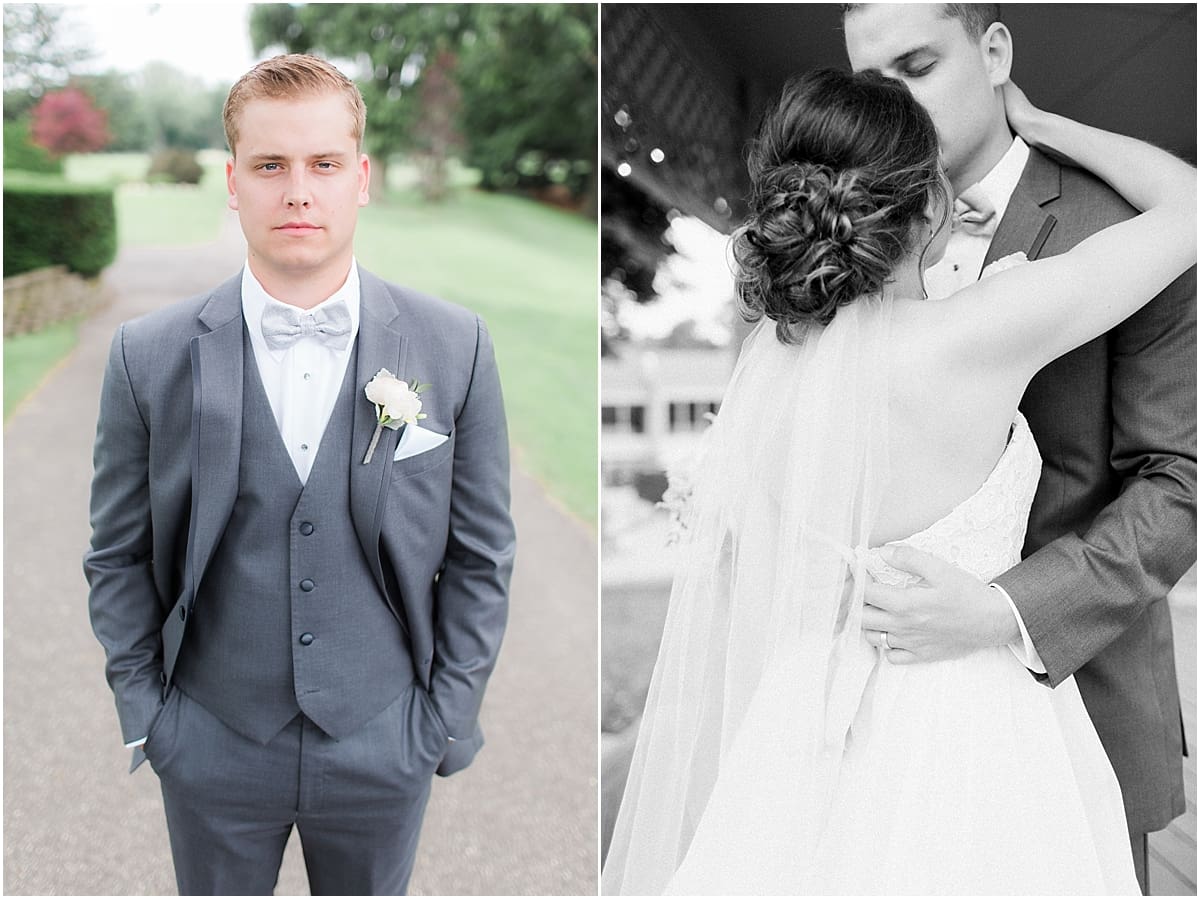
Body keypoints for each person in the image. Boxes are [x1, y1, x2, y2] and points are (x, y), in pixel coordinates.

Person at [600, 59, 1194, 895]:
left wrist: (934, 230)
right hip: (974, 725)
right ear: (928, 203)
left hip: (807, 717)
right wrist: (1038, 124)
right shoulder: (986, 329)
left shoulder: (773, 363)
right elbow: (1191, 207)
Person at [84, 54, 515, 895]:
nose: (297, 191)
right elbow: (117, 556)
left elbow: (481, 556)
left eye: (322, 164)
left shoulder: (454, 345)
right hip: (210, 742)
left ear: (362, 178)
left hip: (384, 739)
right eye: (270, 165)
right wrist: (152, 718)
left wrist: (438, 720)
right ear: (233, 182)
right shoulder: (148, 356)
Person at [842, 5, 1195, 892]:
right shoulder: (840, 243)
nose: (898, 107)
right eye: (873, 85)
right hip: (874, 719)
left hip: (1083, 697)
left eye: (918, 66)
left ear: (993, 51)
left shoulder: (1121, 224)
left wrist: (1007, 610)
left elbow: (1180, 483)